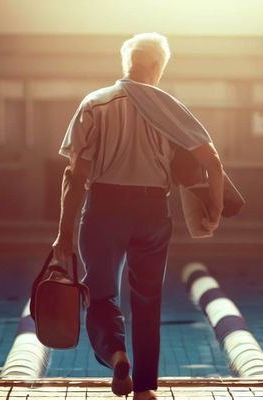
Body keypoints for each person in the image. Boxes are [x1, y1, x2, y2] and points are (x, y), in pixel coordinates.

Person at [52, 32, 224, 400]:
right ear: (158, 67)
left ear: (126, 63)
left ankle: (117, 355)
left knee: (99, 294)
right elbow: (212, 162)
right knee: (147, 299)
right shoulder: (169, 110)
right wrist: (217, 206)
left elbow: (75, 176)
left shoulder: (94, 103)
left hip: (103, 208)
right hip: (152, 210)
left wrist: (64, 232)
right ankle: (145, 388)